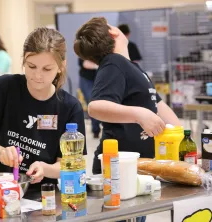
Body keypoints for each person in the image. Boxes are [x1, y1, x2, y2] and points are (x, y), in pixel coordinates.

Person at [74, 16, 181, 222]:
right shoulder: (114, 63)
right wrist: (139, 114)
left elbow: (158, 105)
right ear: (114, 32)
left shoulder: (131, 67)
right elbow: (96, 107)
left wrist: (182, 135)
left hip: (137, 169)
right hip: (118, 171)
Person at [0, 27, 86, 195]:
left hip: (44, 196)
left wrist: (45, 169)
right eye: (31, 66)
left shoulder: (70, 107)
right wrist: (0, 151)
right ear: (23, 60)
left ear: (61, 66)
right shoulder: (5, 87)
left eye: (47, 69)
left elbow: (71, 164)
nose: (38, 75)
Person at [78, 58, 101, 138]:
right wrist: (99, 65)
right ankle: (96, 129)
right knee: (91, 101)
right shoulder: (85, 48)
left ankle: (100, 128)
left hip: (100, 77)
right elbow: (85, 63)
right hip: (87, 78)